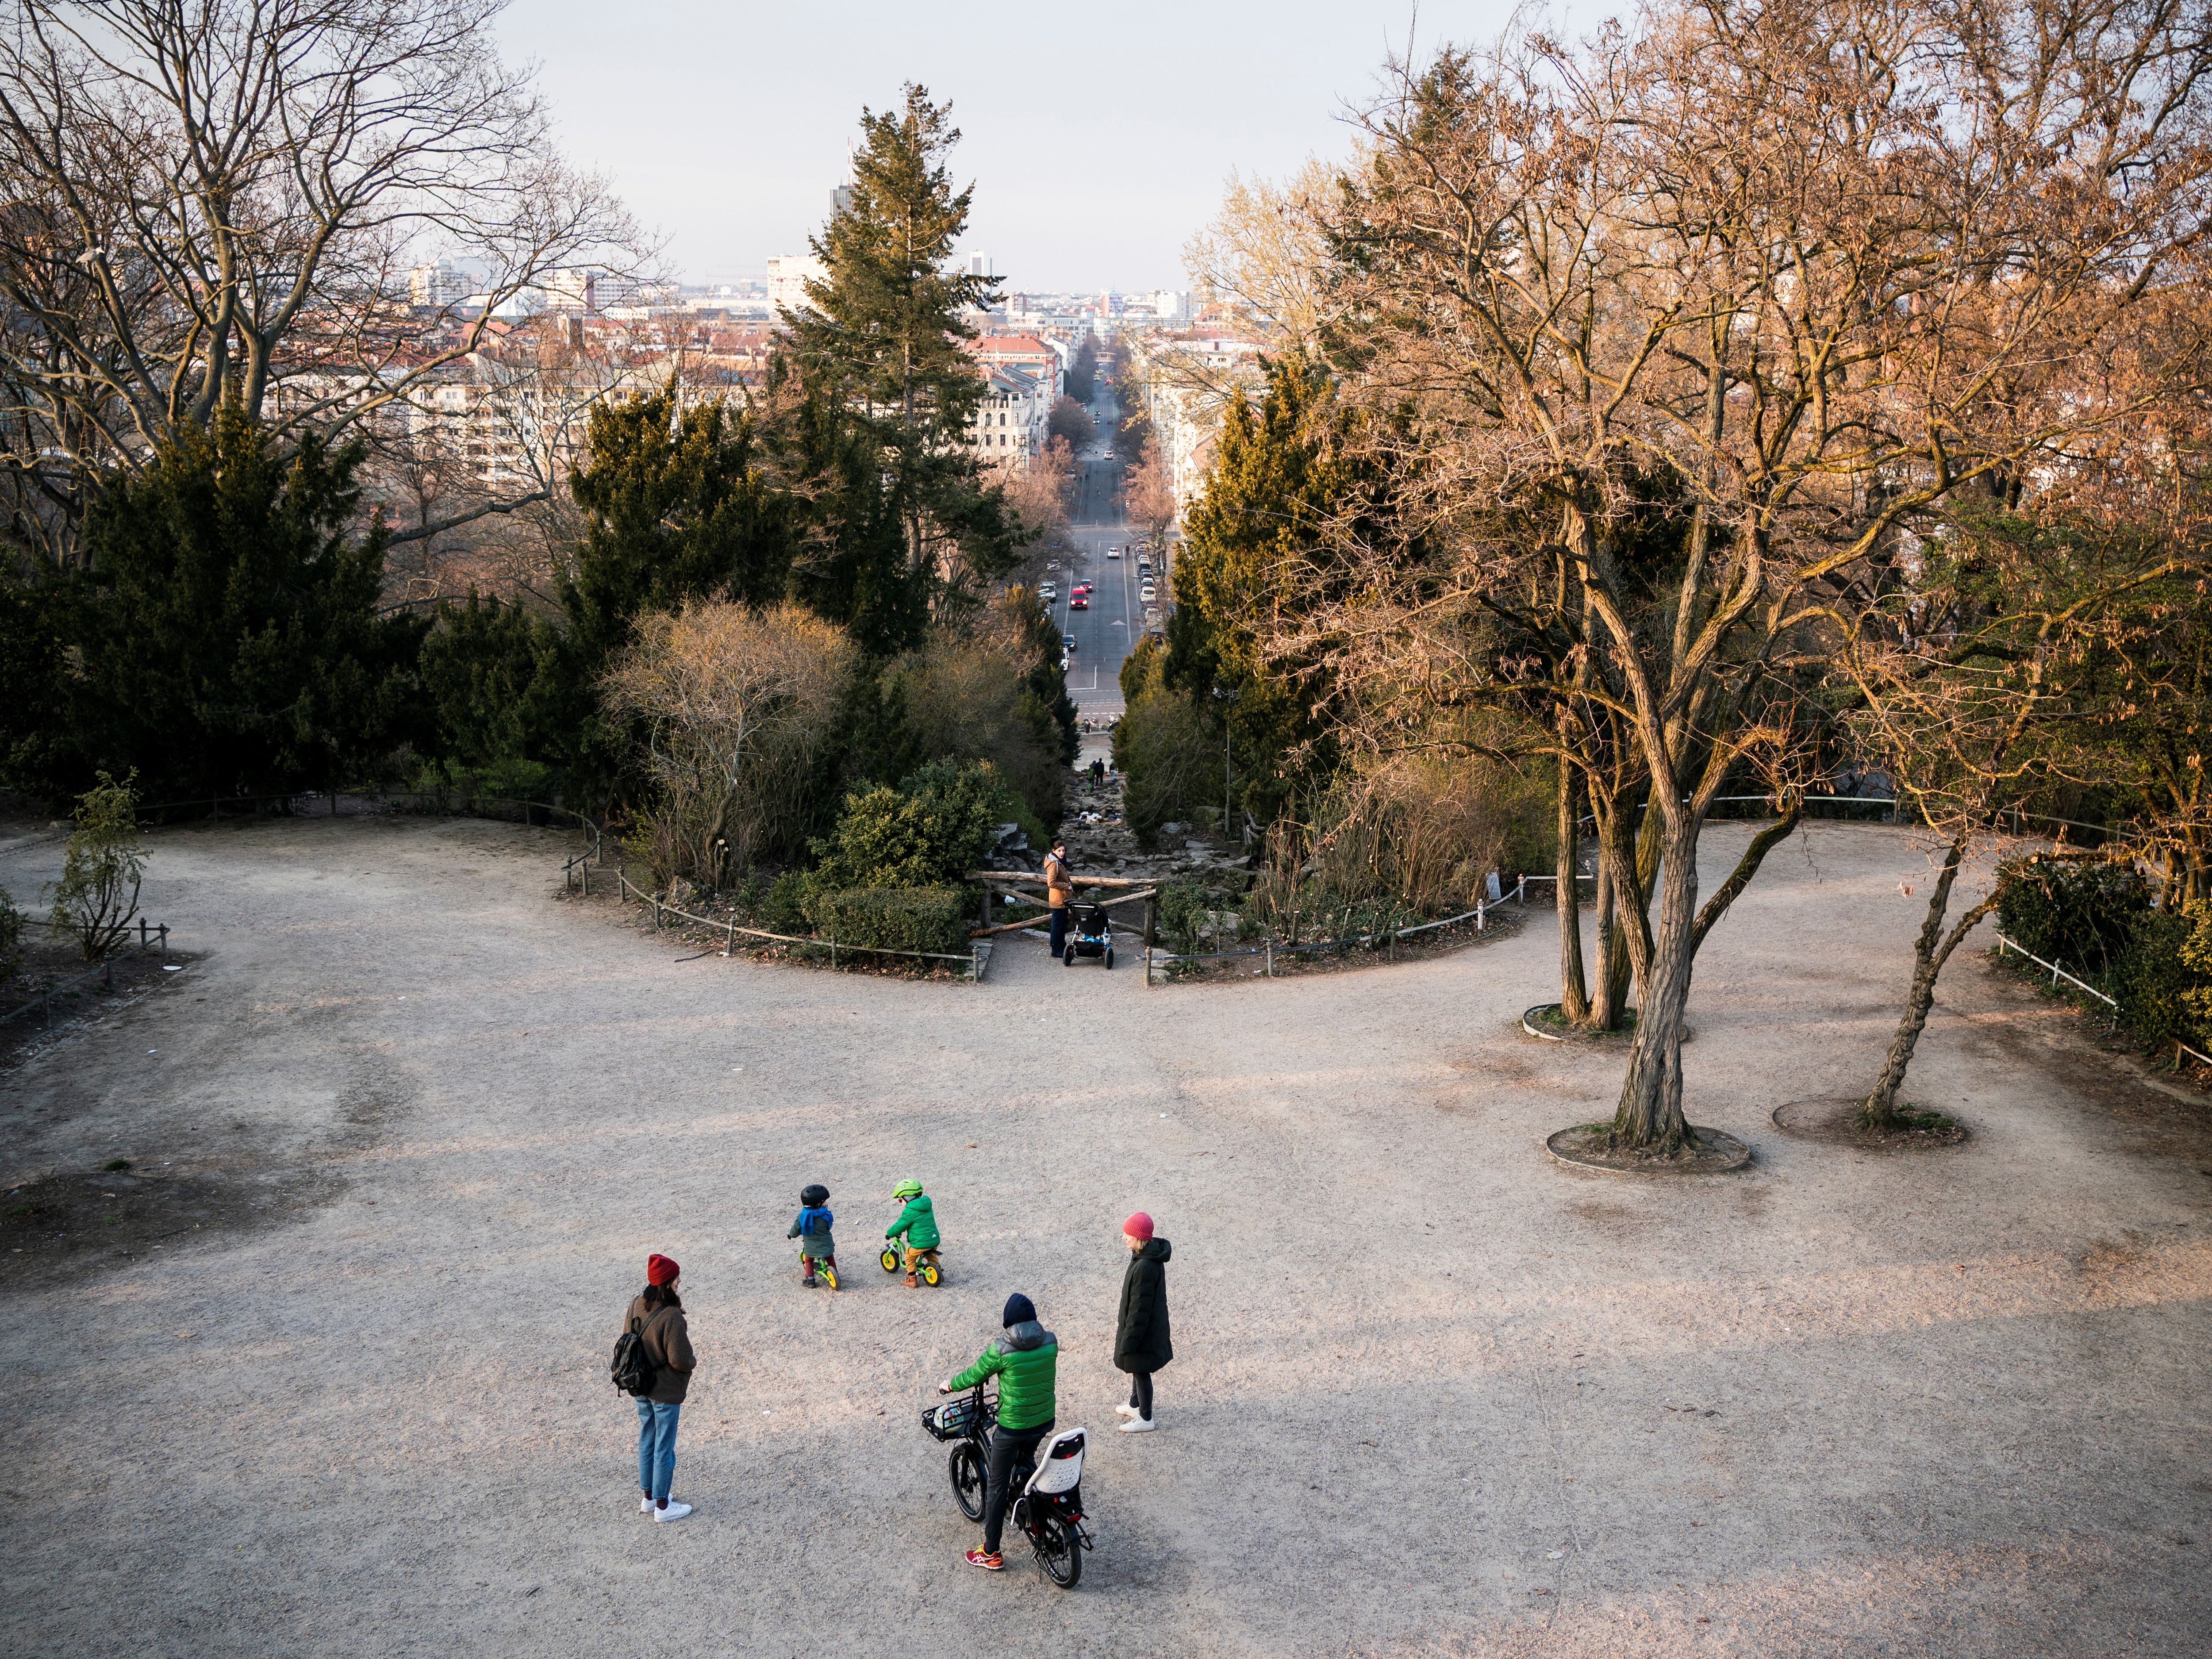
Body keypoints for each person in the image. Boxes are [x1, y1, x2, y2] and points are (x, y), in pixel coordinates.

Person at [940, 1293, 1059, 1571]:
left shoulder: (1002, 1349)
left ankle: (991, 1551)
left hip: (1013, 1427)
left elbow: (974, 1375)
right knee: (1027, 1460)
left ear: (1009, 1323)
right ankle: (1031, 1506)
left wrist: (950, 1385)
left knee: (996, 1484)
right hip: (1043, 1421)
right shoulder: (1051, 1341)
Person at [626, 1253, 696, 1521]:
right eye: (676, 1278)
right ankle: (664, 1507)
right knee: (664, 1447)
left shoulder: (635, 1304)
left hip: (641, 1385)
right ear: (666, 1283)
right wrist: (693, 1362)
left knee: (647, 1439)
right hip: (665, 1390)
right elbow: (680, 1359)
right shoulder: (672, 1316)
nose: (680, 1281)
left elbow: (628, 1337)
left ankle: (648, 1499)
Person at [1114, 1212, 1172, 1434]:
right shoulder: (1144, 1255)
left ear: (1139, 1237)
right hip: (1147, 1330)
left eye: (1127, 1234)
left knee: (1141, 1370)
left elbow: (1140, 1310)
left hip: (1143, 1332)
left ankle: (1146, 1417)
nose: (1124, 1237)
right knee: (1137, 1366)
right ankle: (1134, 1404)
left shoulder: (1145, 1267)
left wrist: (1128, 1341)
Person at [884, 1178, 939, 1287]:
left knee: (909, 1256)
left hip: (921, 1243)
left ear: (907, 1198)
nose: (901, 1203)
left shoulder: (909, 1212)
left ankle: (912, 1280)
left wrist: (889, 1234)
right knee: (930, 1254)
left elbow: (900, 1226)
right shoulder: (927, 1206)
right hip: (934, 1240)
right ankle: (938, 1270)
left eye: (900, 1200)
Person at [788, 1183, 835, 1286]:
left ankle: (810, 1280)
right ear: (818, 1204)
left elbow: (796, 1229)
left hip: (811, 1248)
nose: (827, 1203)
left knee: (808, 1260)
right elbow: (828, 1227)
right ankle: (835, 1272)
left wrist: (791, 1235)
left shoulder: (803, 1216)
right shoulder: (826, 1215)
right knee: (830, 1257)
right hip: (827, 1245)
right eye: (825, 1201)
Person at [1044, 838, 1072, 957]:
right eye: (1059, 851)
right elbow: (1051, 883)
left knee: (1062, 925)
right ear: (1054, 851)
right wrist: (1067, 886)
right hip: (1058, 900)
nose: (1062, 853)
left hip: (1063, 900)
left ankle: (1061, 946)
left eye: (1064, 851)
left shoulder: (1058, 862)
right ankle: (1055, 949)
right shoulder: (1054, 864)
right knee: (1057, 926)